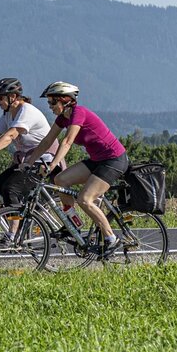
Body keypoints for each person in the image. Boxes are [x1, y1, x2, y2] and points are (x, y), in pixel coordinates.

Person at [21, 81, 129, 253]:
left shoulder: (78, 113)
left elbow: (67, 141)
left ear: (66, 100)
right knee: (60, 180)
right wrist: (29, 162)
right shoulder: (63, 117)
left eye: (52, 102)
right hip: (97, 160)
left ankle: (111, 238)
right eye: (49, 102)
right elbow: (47, 141)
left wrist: (52, 164)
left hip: (113, 160)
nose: (50, 106)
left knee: (85, 199)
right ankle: (72, 223)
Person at [0, 78, 59, 207]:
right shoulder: (8, 114)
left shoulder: (27, 111)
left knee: (11, 189)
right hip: (27, 161)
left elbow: (10, 135)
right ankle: (21, 215)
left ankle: (15, 226)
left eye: (0, 98)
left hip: (42, 160)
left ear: (13, 97)